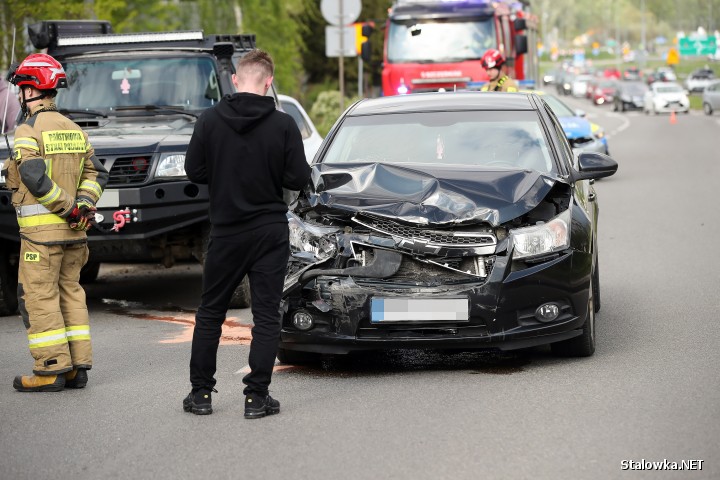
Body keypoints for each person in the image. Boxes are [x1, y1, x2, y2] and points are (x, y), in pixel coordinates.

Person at [183, 49, 311, 418]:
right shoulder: (283, 125)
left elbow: (194, 170)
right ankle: (256, 398)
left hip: (226, 232)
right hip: (269, 231)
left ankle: (201, 395)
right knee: (266, 314)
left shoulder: (209, 121)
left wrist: (225, 172)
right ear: (269, 82)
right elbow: (298, 179)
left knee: (210, 313)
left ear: (236, 80)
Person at [4, 53, 109, 392]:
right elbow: (96, 173)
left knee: (39, 297)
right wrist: (83, 205)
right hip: (75, 237)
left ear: (31, 90)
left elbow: (35, 178)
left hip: (41, 237)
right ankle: (77, 368)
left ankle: (50, 369)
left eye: (21, 87)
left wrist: (68, 209)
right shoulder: (74, 129)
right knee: (71, 295)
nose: (19, 94)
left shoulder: (27, 129)